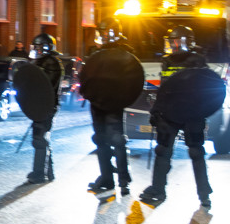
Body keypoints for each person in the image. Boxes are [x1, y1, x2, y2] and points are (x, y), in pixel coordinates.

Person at [139, 25, 212, 209]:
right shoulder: (167, 61)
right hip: (170, 114)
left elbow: (205, 90)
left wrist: (202, 113)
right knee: (162, 151)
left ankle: (204, 194)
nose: (174, 45)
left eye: (178, 41)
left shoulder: (198, 61)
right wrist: (156, 111)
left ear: (188, 42)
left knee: (196, 152)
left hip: (191, 115)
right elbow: (164, 90)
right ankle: (158, 189)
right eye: (172, 42)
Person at [86, 18, 134, 196]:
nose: (103, 38)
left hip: (114, 103)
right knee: (101, 140)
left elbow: (130, 80)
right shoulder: (95, 54)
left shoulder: (124, 53)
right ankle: (107, 177)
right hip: (98, 103)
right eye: (101, 34)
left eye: (106, 34)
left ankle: (123, 179)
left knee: (117, 140)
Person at [26, 32, 63, 184]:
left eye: (40, 47)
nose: (37, 50)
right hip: (40, 105)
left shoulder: (51, 62)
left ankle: (39, 173)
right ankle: (48, 172)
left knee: (40, 138)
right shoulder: (40, 61)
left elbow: (46, 85)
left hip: (46, 106)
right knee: (42, 138)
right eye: (36, 47)